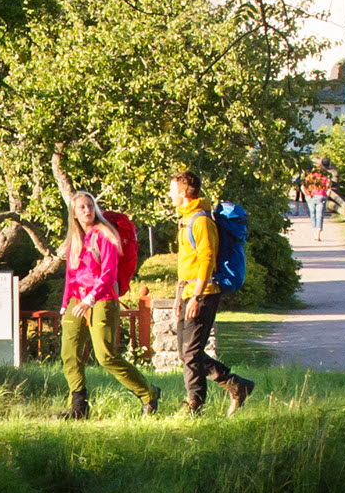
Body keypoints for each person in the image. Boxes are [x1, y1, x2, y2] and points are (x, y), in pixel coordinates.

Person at [52, 174, 157, 419]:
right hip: (76, 299)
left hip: (102, 298)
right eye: (81, 207)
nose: (87, 210)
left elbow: (109, 274)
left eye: (90, 206)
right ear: (74, 213)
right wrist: (65, 305)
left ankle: (149, 394)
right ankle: (78, 408)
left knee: (106, 356)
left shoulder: (105, 235)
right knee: (69, 353)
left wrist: (89, 299)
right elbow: (71, 275)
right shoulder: (75, 239)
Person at [165, 169, 256, 414]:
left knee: (191, 352)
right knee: (186, 353)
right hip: (189, 291)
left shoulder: (201, 221)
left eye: (172, 190)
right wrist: (179, 297)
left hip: (204, 292)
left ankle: (194, 403)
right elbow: (187, 263)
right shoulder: (187, 218)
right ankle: (236, 385)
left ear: (184, 193)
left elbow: (207, 259)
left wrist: (196, 296)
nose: (169, 195)